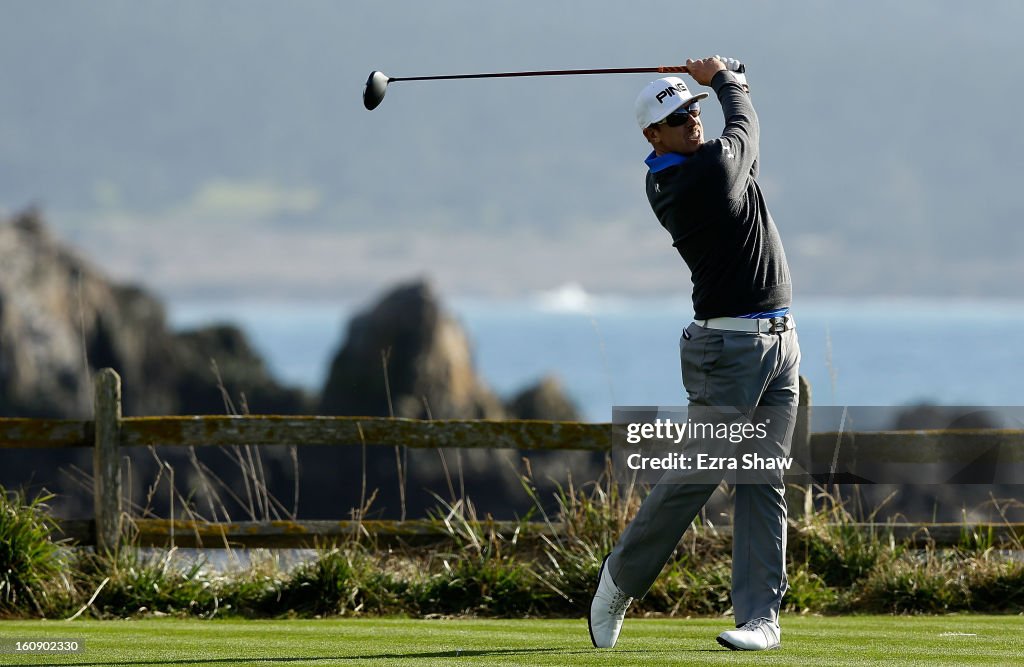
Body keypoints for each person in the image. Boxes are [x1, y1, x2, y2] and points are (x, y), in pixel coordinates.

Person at [588, 56, 801, 652]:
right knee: (697, 474)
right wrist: (728, 82)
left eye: (693, 111)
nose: (692, 122)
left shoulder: (707, 162)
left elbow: (739, 135)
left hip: (779, 342)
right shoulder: (691, 177)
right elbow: (745, 133)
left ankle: (761, 619)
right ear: (654, 136)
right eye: (678, 118)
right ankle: (618, 580)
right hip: (728, 349)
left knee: (764, 480)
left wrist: (725, 85)